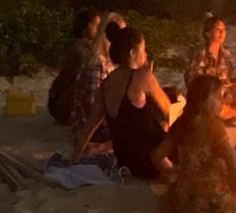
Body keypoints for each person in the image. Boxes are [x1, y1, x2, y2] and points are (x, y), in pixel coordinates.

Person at [151, 75, 236, 213]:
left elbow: (157, 156)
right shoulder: (214, 126)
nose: (222, 103)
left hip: (182, 202)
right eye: (219, 98)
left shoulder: (182, 123)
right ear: (204, 99)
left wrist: (173, 170)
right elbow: (233, 161)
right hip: (210, 203)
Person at [72, 25, 170, 178]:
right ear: (132, 53)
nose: (145, 54)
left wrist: (74, 159)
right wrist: (149, 74)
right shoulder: (142, 76)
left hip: (127, 163)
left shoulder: (105, 85)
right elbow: (167, 108)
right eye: (143, 50)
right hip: (153, 161)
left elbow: (88, 130)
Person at [71, 11, 126, 142]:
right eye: (120, 35)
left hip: (99, 125)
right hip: (92, 132)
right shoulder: (97, 66)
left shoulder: (110, 63)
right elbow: (93, 113)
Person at [48, 7, 101, 125]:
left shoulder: (85, 48)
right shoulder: (79, 50)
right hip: (60, 105)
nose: (98, 30)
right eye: (96, 25)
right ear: (85, 27)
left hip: (60, 101)